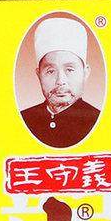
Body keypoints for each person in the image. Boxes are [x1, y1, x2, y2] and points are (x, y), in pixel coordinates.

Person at [21, 17, 100, 147]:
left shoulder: (98, 121)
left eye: (69, 70)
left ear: (85, 73)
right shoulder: (24, 119)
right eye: (51, 71)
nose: (60, 81)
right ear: (38, 75)